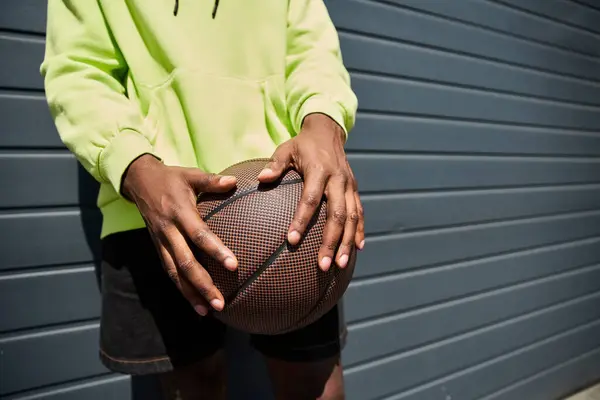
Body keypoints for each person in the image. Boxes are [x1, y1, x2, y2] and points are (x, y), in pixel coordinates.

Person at [41, 0, 364, 398]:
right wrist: (133, 164)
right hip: (153, 208)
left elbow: (312, 49)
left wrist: (323, 120)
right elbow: (79, 71)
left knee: (314, 386)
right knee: (193, 388)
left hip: (284, 201)